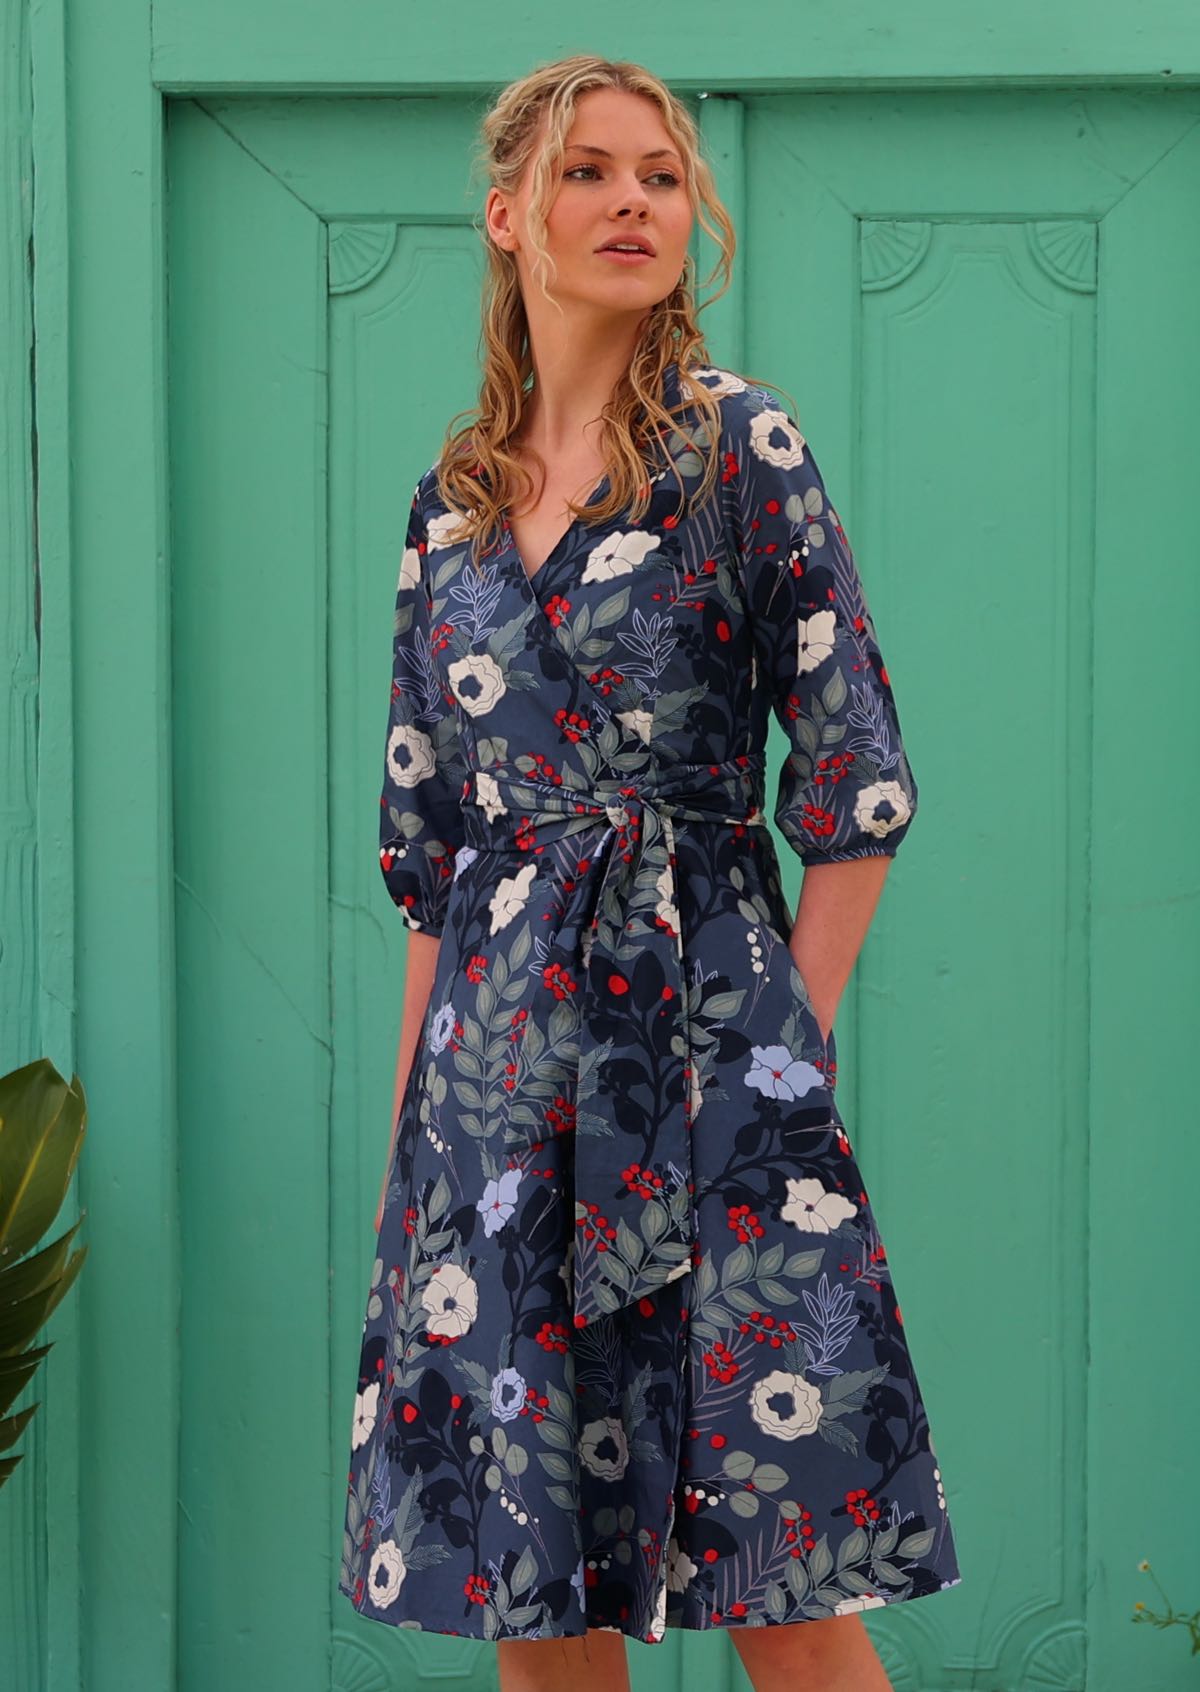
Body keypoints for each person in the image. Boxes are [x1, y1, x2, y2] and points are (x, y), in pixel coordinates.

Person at [339, 53, 963, 1692]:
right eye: (589, 171)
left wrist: (783, 1048)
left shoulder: (736, 449)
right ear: (508, 216)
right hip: (490, 1106)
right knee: (529, 1592)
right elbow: (431, 863)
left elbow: (856, 782)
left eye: (660, 176)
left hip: (712, 1064)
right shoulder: (447, 522)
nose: (631, 201)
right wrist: (415, 1167)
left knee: (782, 1566)